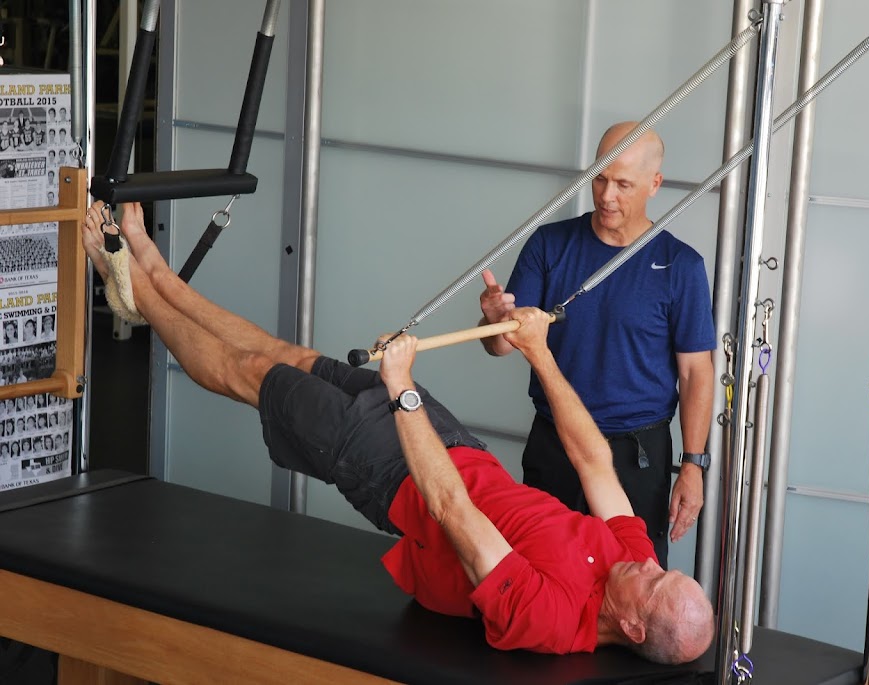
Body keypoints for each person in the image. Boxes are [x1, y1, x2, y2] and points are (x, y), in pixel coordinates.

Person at [81, 201, 714, 665]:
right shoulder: (631, 556)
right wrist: (540, 355)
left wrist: (403, 387)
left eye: (655, 581)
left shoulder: (550, 618)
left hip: (402, 479)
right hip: (458, 453)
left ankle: (133, 290)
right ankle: (159, 276)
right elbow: (594, 460)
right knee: (292, 357)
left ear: (633, 627)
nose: (649, 561)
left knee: (251, 373)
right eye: (664, 569)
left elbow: (450, 508)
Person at [478, 122, 716, 567]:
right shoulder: (550, 245)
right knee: (543, 574)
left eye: (623, 184)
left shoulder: (681, 266)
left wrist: (693, 465)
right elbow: (504, 344)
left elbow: (695, 372)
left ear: (654, 184)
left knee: (632, 585)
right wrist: (493, 322)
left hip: (636, 454)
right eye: (600, 178)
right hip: (556, 444)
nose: (606, 195)